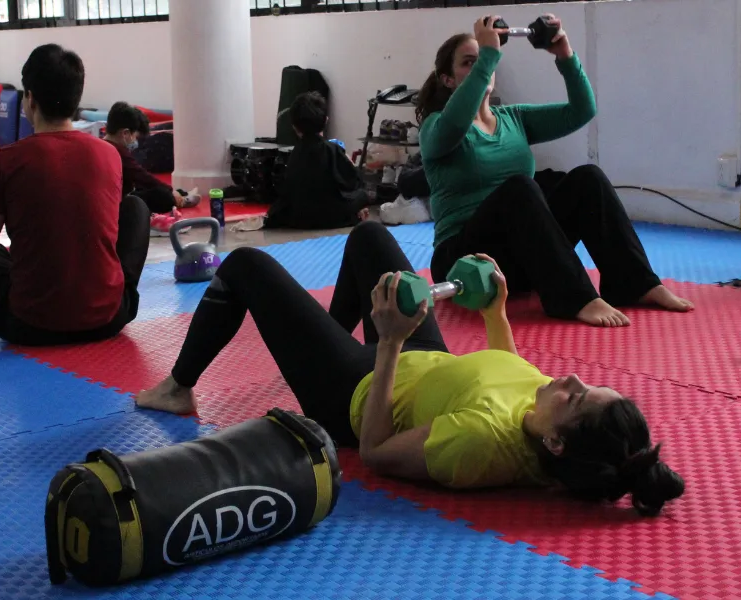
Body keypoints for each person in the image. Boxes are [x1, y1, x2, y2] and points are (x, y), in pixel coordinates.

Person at [136, 220, 685, 516]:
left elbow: (372, 450)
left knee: (246, 263)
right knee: (370, 237)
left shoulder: (477, 445)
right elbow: (509, 372)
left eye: (576, 397)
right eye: (587, 384)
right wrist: (495, 312)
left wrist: (390, 345)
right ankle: (314, 344)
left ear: (560, 446)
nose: (568, 380)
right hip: (416, 358)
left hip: (356, 395)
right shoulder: (546, 418)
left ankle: (177, 386)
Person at [417, 14, 694, 328]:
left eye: (484, 59)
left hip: (520, 259)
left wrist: (564, 54)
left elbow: (581, 111)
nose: (481, 66)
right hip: (464, 262)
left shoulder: (514, 119)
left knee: (588, 179)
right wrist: (490, 54)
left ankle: (634, 283)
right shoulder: (435, 128)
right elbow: (455, 123)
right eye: (469, 62)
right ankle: (574, 298)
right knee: (520, 189)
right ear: (447, 79)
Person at [0, 44, 151, 346]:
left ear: (30, 98)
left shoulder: (5, 161)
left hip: (30, 326)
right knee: (136, 208)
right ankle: (111, 295)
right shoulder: (110, 154)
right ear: (76, 101)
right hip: (108, 319)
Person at [263, 92, 367, 230]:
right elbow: (353, 181)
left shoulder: (295, 153)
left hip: (299, 216)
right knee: (363, 194)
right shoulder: (332, 149)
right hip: (331, 215)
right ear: (326, 120)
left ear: (294, 126)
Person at [101, 101, 188, 236]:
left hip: (112, 199)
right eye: (135, 137)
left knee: (154, 189)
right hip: (117, 204)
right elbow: (142, 176)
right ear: (125, 133)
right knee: (162, 195)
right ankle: (152, 216)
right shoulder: (118, 152)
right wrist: (170, 191)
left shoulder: (102, 145)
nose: (135, 141)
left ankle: (182, 196)